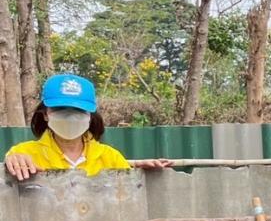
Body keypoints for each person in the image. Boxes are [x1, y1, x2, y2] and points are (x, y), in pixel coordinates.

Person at [3, 74, 172, 181]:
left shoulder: (110, 157)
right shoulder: (25, 154)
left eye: (78, 110)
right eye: (60, 109)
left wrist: (143, 177)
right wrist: (11, 162)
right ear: (46, 114)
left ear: (90, 116)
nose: (69, 116)